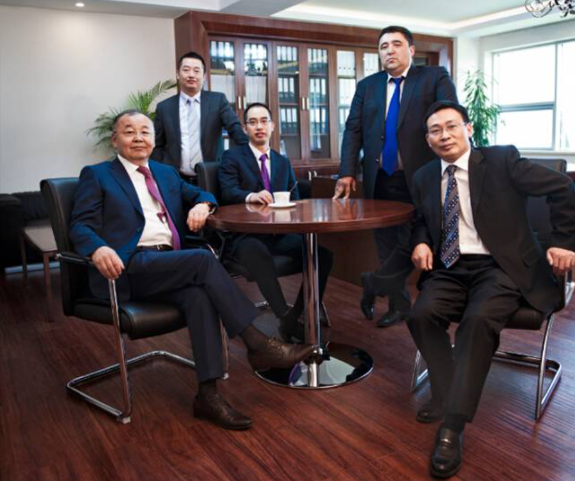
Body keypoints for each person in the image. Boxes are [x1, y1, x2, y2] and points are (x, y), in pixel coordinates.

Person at [70, 110, 315, 431]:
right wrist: (98, 248)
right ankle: (258, 343)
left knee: (199, 296)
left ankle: (208, 396)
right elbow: (80, 225)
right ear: (115, 140)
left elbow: (202, 194)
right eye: (129, 132)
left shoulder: (165, 173)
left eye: (145, 131)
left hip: (167, 266)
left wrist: (203, 205)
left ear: (154, 139)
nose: (138, 138)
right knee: (202, 260)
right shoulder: (98, 174)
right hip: (127, 266)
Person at [407, 101, 575, 479]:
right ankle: (444, 390)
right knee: (420, 315)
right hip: (450, 268)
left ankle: (452, 425)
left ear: (468, 129)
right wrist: (420, 241)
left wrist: (565, 242)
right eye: (435, 130)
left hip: (500, 267)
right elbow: (421, 217)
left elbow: (562, 186)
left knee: (478, 321)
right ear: (428, 139)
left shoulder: (502, 161)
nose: (445, 135)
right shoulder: (423, 176)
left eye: (452, 126)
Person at [333, 25, 458, 328]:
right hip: (380, 177)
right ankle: (399, 305)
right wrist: (347, 171)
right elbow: (353, 130)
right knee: (386, 243)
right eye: (383, 46)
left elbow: (450, 113)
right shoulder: (367, 86)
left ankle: (375, 282)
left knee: (422, 237)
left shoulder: (433, 77)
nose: (389, 50)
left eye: (396, 44)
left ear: (411, 50)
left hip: (422, 177)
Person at [218, 102, 334, 342]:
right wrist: (251, 196)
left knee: (323, 255)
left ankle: (295, 317)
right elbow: (228, 191)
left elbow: (296, 198)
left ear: (272, 126)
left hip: (278, 234)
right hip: (246, 236)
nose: (259, 127)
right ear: (245, 129)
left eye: (264, 121)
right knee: (256, 251)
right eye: (252, 122)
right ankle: (284, 316)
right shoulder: (232, 157)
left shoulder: (282, 161)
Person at [152, 51, 248, 183]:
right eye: (186, 70)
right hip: (175, 178)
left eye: (196, 71)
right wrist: (162, 169)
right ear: (178, 74)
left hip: (211, 176)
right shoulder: (164, 107)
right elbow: (157, 144)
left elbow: (235, 129)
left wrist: (251, 154)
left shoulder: (218, 101)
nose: (191, 75)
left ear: (204, 76)